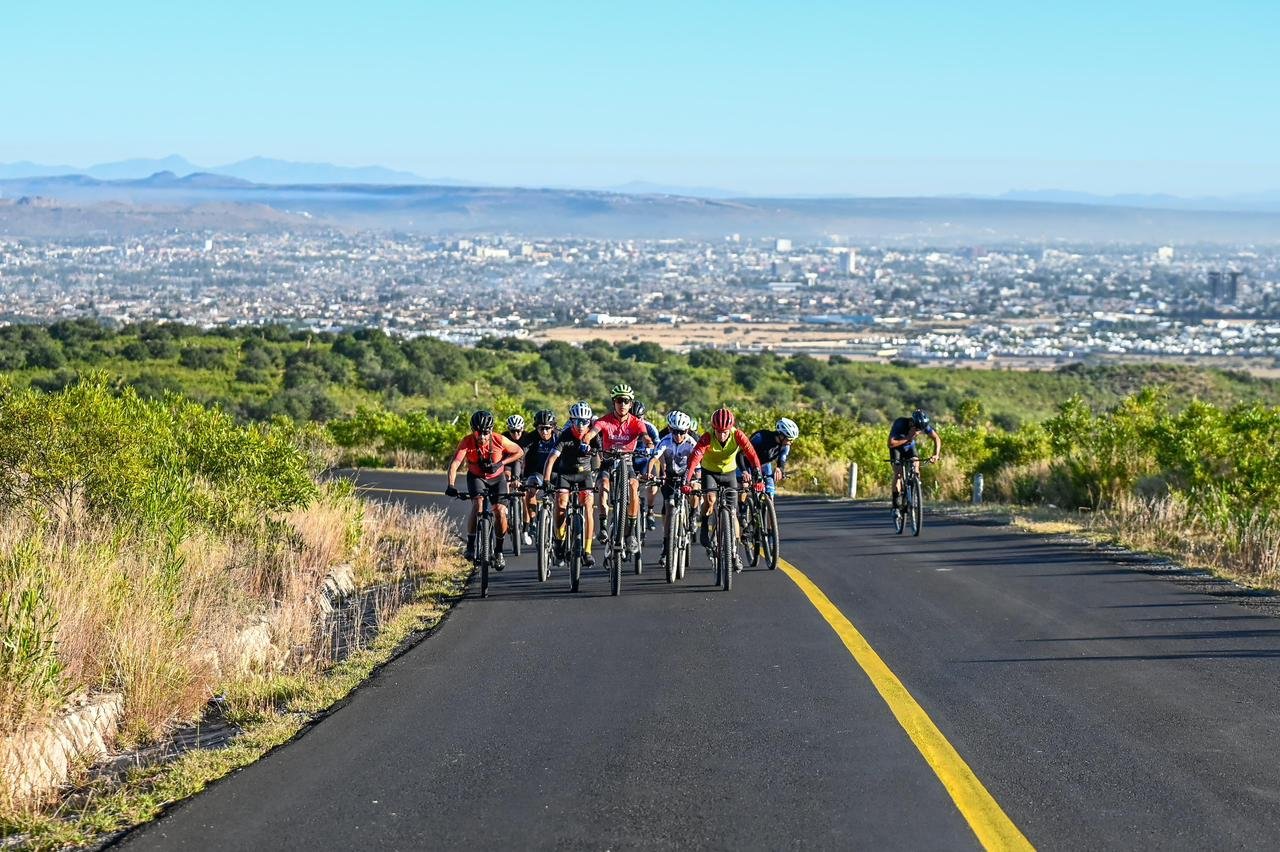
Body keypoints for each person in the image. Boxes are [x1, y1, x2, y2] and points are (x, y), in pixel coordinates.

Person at [445, 410, 525, 568]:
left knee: (500, 511)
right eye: (478, 432)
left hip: (497, 478)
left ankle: (499, 551)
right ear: (472, 430)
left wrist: (501, 463)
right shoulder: (467, 441)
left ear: (491, 430)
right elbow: (455, 464)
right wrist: (451, 485)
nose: (482, 436)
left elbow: (519, 452)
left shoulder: (499, 439)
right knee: (478, 505)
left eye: (485, 432)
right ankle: (470, 545)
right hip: (477, 477)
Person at [683, 407, 763, 562]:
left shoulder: (737, 435)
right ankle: (704, 525)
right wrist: (687, 479)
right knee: (710, 500)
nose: (721, 435)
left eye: (725, 431)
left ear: (730, 428)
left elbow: (751, 454)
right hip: (710, 472)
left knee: (732, 512)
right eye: (718, 431)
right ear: (713, 428)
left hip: (729, 473)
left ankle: (734, 551)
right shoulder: (707, 437)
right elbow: (694, 458)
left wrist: (758, 475)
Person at [584, 383, 655, 551]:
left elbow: (645, 436)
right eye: (619, 400)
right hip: (608, 462)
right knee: (603, 486)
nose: (622, 404)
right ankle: (603, 525)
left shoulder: (636, 422)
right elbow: (591, 433)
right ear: (613, 402)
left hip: (627, 462)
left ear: (631, 404)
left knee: (633, 486)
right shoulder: (604, 420)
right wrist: (585, 442)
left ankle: (630, 533)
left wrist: (649, 444)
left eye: (626, 401)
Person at [543, 401, 600, 567]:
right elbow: (551, 459)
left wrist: (598, 475)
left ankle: (587, 551)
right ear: (571, 421)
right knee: (561, 504)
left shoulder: (593, 436)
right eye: (577, 421)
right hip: (566, 474)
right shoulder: (565, 435)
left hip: (585, 475)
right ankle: (559, 540)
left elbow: (600, 458)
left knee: (588, 507)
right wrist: (546, 480)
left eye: (584, 421)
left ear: (589, 421)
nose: (581, 425)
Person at [648, 409, 700, 570]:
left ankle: (693, 514)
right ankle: (666, 547)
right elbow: (654, 458)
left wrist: (695, 479)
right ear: (670, 429)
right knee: (669, 507)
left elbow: (698, 465)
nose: (678, 435)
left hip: (687, 473)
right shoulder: (665, 439)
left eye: (682, 432)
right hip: (670, 475)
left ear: (687, 430)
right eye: (675, 431)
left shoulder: (692, 441)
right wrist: (649, 473)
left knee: (695, 488)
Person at [519, 409, 560, 547]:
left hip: (557, 473)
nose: (544, 431)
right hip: (538, 472)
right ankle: (533, 522)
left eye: (547, 428)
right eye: (541, 428)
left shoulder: (560, 436)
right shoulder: (531, 438)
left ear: (553, 427)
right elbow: (519, 456)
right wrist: (518, 476)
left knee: (563, 498)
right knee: (530, 489)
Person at [889, 408, 941, 509]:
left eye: (920, 429)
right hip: (896, 448)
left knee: (915, 465)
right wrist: (908, 437)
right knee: (898, 474)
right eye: (917, 429)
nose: (918, 431)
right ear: (912, 423)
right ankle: (896, 503)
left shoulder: (922, 425)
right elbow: (891, 443)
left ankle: (914, 492)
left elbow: (936, 438)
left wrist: (936, 454)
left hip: (910, 448)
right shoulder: (900, 423)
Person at [737, 417, 799, 497]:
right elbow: (741, 455)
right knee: (743, 488)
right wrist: (744, 471)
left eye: (792, 440)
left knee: (770, 491)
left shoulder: (785, 445)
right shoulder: (760, 437)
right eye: (789, 439)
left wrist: (779, 469)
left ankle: (768, 503)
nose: (791, 442)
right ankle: (742, 503)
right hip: (746, 463)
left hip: (764, 465)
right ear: (781, 435)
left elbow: (782, 458)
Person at [631, 400, 661, 529]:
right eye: (633, 417)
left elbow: (659, 447)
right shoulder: (625, 426)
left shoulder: (650, 427)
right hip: (630, 460)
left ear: (643, 416)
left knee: (653, 484)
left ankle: (650, 511)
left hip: (645, 461)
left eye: (639, 417)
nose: (636, 420)